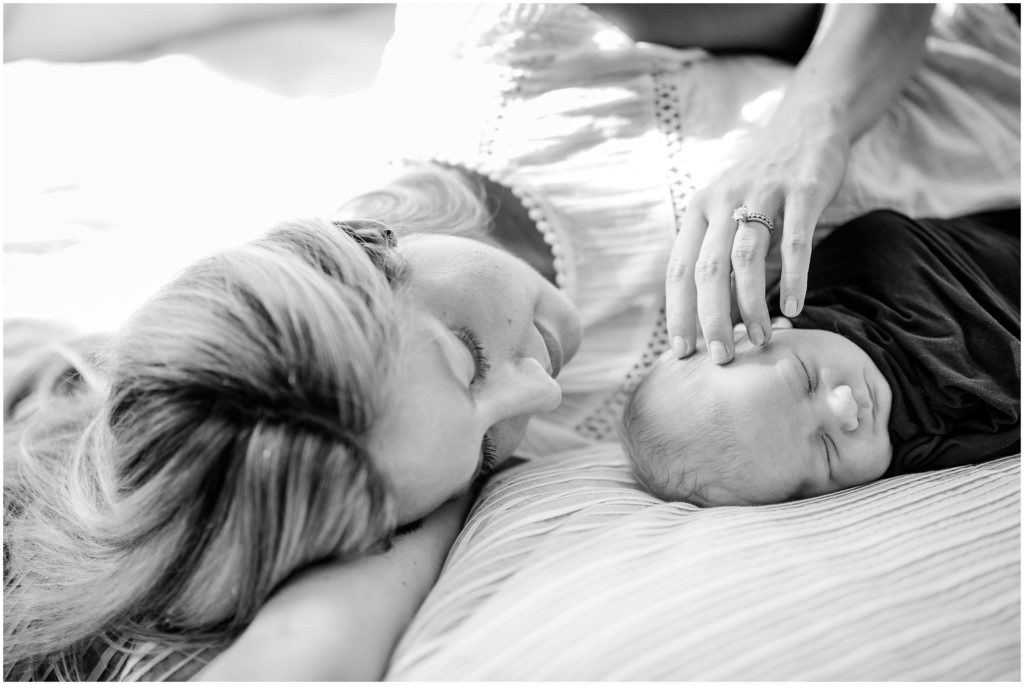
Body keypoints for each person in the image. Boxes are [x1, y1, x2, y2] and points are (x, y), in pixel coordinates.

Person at [5, 2, 1019, 680]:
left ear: (368, 246)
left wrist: (807, 132)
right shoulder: (422, 441)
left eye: (470, 359)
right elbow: (301, 656)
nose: (535, 396)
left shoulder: (524, 43)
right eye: (487, 446)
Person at [621, 208, 1020, 506]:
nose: (846, 408)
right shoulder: (923, 453)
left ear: (767, 329)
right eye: (827, 450)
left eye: (807, 379)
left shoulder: (852, 279)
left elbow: (889, 237)